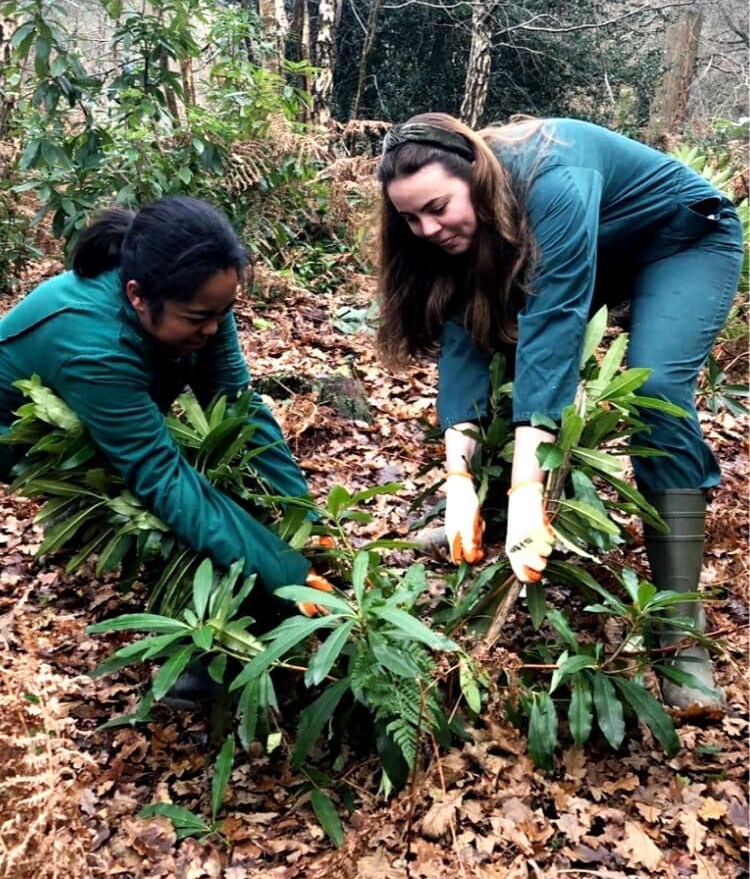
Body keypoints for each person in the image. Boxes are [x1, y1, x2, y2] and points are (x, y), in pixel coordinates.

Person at [375, 112, 743, 711]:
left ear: (475, 173)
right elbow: (466, 339)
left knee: (658, 391)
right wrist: (459, 478)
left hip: (681, 243)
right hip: (598, 244)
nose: (428, 228)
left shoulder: (553, 176)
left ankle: (678, 631)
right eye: (412, 218)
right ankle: (478, 520)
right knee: (497, 337)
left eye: (438, 207)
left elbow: (556, 321)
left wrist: (529, 482)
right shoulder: (461, 225)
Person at [0, 196, 332, 625]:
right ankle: (205, 647)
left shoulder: (200, 297)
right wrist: (285, 572)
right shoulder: (93, 345)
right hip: (19, 435)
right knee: (149, 512)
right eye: (198, 318)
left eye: (222, 313)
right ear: (137, 295)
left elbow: (234, 405)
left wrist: (304, 516)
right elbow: (159, 475)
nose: (211, 330)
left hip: (101, 398)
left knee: (215, 479)